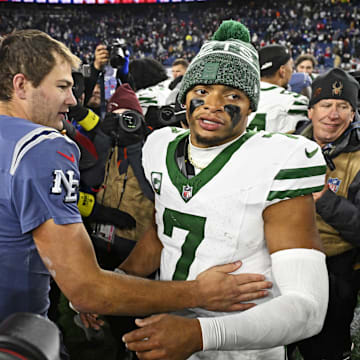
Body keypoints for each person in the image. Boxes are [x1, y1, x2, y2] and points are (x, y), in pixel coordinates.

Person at [0, 29, 275, 358]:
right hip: (13, 331)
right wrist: (199, 293)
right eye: (62, 87)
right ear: (20, 85)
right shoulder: (41, 147)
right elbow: (88, 289)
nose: (72, 100)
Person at [121, 20, 329, 360]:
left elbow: (308, 308)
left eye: (232, 95)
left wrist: (201, 334)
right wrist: (120, 280)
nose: (212, 104)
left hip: (243, 345)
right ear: (185, 95)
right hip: (168, 331)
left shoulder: (276, 161)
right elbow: (166, 229)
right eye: (201, 91)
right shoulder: (159, 147)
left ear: (250, 107)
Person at [288, 68, 360, 360]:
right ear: (311, 110)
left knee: (326, 350)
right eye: (327, 105)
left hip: (336, 268)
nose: (334, 114)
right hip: (282, 260)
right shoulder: (286, 146)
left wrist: (323, 198)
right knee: (272, 345)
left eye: (343, 106)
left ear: (353, 115)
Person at [247, 44, 309, 133]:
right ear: (282, 71)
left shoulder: (240, 96)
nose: (292, 71)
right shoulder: (294, 102)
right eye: (291, 66)